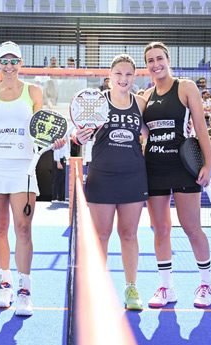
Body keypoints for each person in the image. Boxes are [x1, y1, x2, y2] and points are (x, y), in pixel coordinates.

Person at [0, 41, 50, 317]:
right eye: (4, 61)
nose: (9, 65)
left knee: (24, 229)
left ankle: (24, 291)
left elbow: (40, 127)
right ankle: (4, 285)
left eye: (14, 60)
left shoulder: (33, 91)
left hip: (24, 168)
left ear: (20, 63)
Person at [142, 42, 211, 309]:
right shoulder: (145, 96)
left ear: (168, 59)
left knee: (191, 228)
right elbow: (145, 136)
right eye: (150, 60)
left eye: (159, 58)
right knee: (160, 230)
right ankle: (166, 287)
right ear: (146, 65)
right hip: (154, 169)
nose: (155, 63)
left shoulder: (185, 87)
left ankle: (206, 284)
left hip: (183, 169)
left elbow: (201, 128)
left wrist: (208, 164)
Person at [73, 54, 148, 310]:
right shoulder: (97, 100)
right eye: (118, 74)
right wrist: (78, 136)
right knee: (101, 235)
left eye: (128, 74)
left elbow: (149, 133)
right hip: (101, 176)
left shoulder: (140, 103)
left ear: (134, 77)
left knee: (129, 235)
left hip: (133, 177)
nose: (123, 79)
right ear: (110, 75)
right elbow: (79, 130)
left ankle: (131, 288)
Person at [51, 138, 68, 202]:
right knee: (57, 180)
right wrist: (58, 162)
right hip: (59, 160)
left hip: (64, 160)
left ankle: (61, 198)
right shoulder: (59, 139)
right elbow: (56, 150)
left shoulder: (67, 139)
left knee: (63, 180)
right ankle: (54, 197)